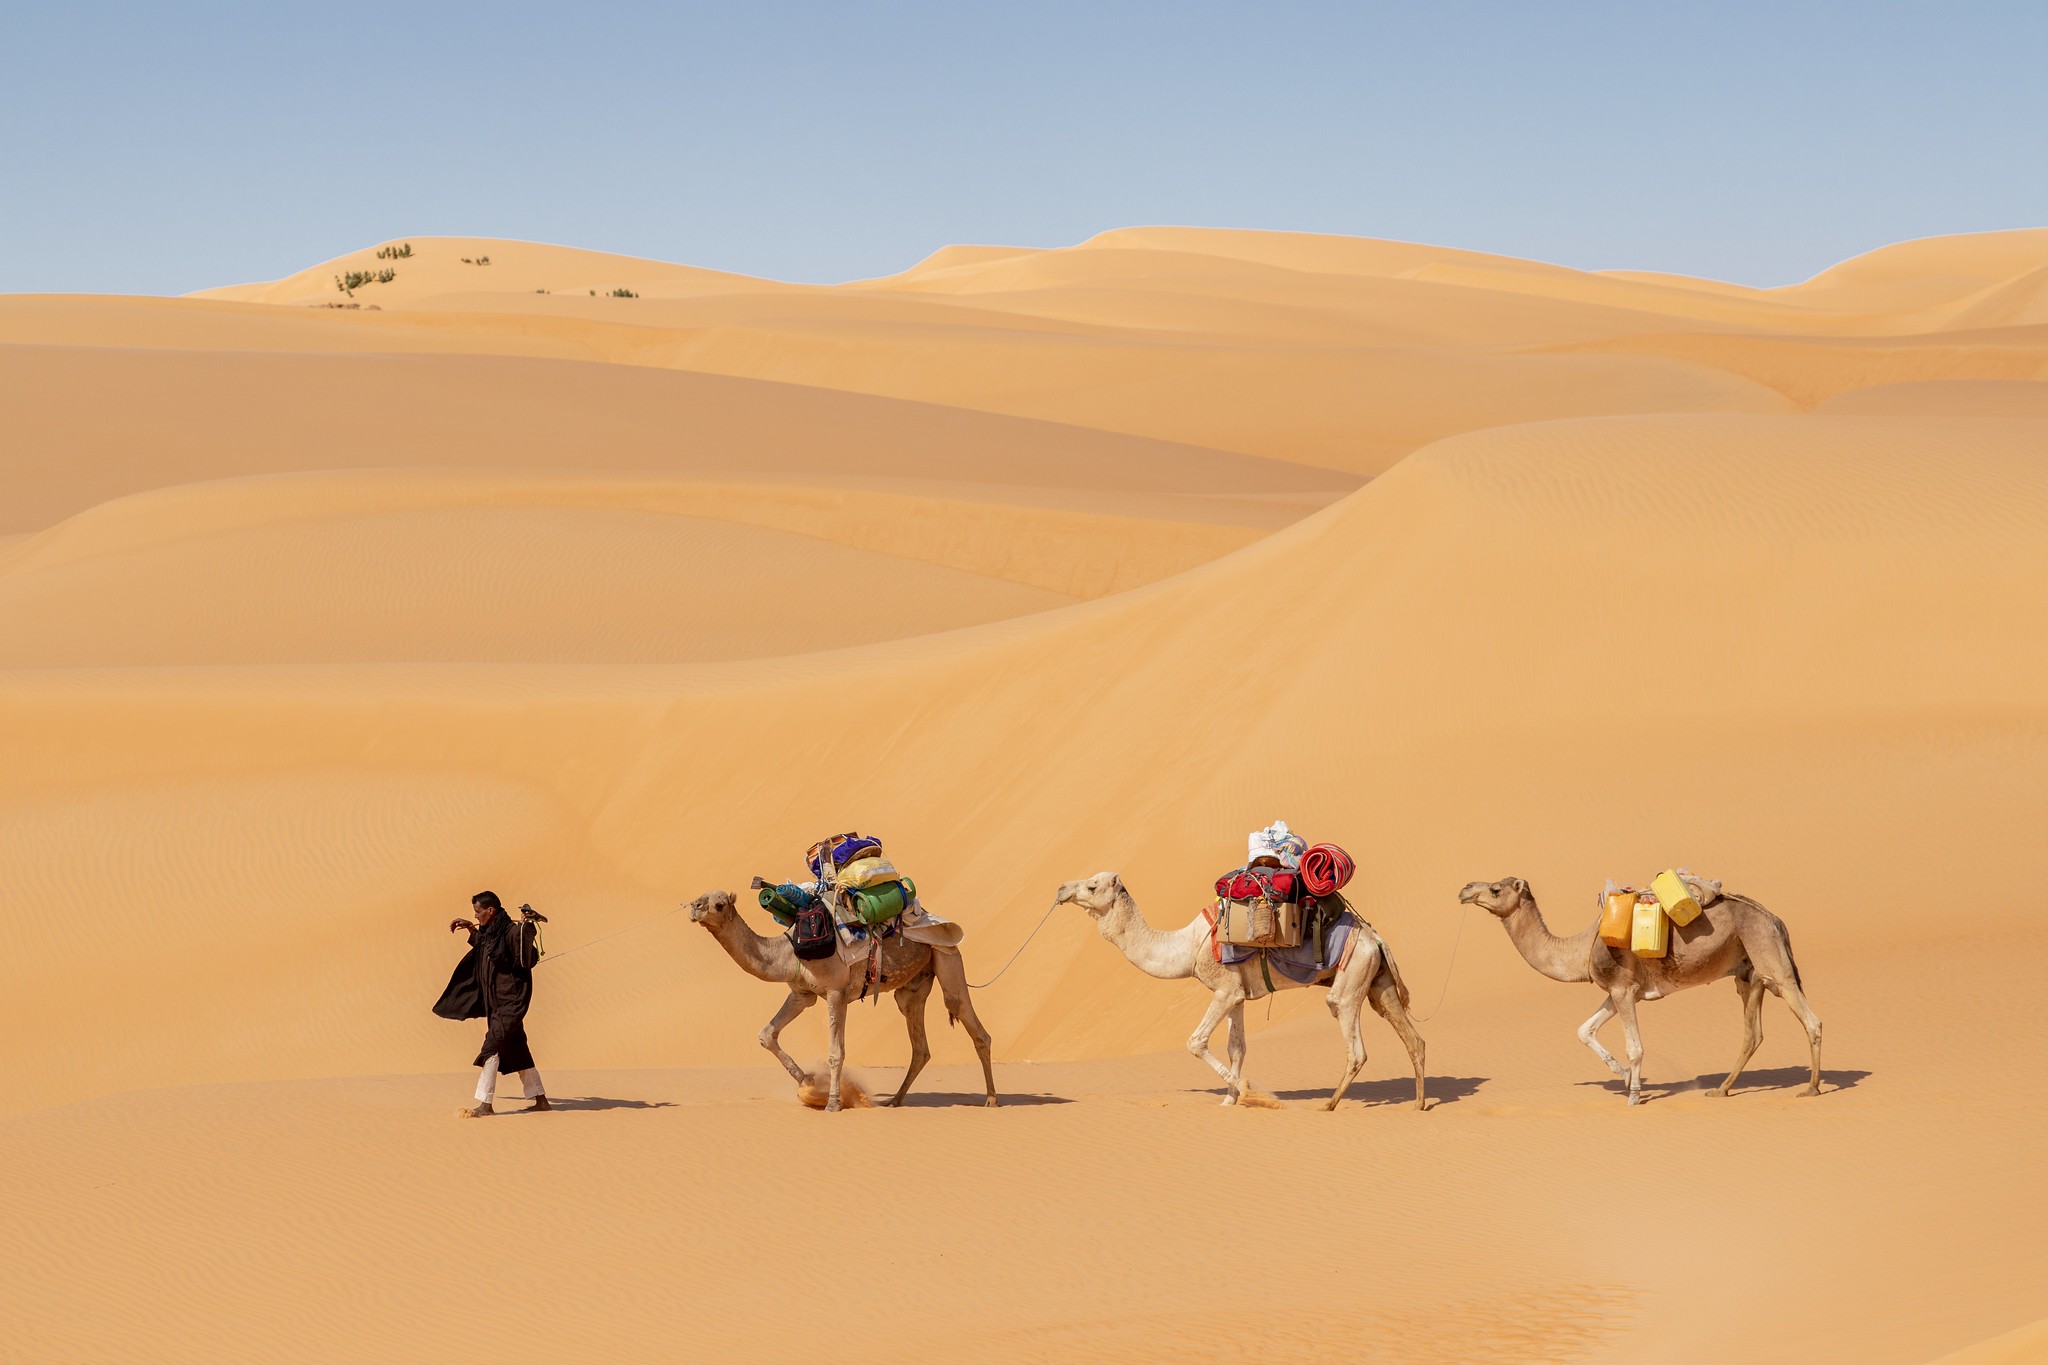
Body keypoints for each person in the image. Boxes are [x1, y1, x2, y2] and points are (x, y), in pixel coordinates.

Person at [433, 891, 548, 1117]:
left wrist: (526, 927)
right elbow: (486, 946)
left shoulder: (511, 932)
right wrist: (471, 929)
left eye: (478, 912)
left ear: (491, 911)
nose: (476, 916)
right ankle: (541, 1099)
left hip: (511, 1003)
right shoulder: (493, 932)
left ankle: (485, 1103)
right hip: (495, 1004)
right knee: (518, 1049)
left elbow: (527, 958)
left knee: (491, 1048)